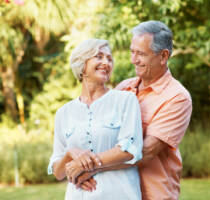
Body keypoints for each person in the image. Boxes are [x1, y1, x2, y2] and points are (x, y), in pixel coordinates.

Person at [77, 21, 192, 200]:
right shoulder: (124, 88)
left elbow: (144, 152)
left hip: (152, 195)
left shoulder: (177, 97)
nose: (133, 60)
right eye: (132, 52)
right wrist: (76, 158)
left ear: (163, 56)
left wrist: (89, 168)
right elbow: (96, 131)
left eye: (141, 54)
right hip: (118, 192)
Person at [47, 39, 143, 200]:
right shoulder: (63, 113)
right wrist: (71, 153)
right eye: (99, 57)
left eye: (109, 59)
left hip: (120, 194)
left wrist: (84, 165)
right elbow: (58, 171)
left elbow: (130, 149)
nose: (106, 62)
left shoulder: (126, 100)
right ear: (82, 64)